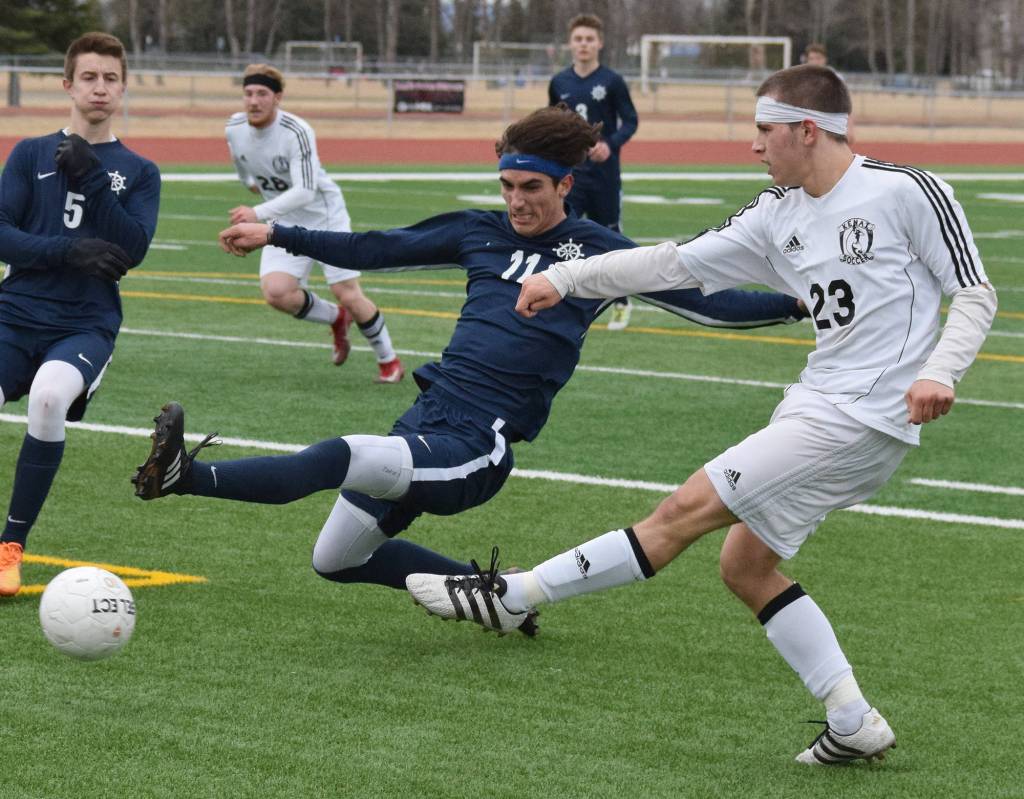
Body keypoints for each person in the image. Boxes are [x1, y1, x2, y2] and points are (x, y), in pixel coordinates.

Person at [406, 66, 998, 764]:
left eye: (764, 131)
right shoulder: (777, 212)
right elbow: (671, 263)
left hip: (863, 416)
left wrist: (939, 370)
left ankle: (515, 593)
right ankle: (852, 718)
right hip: (815, 400)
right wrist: (564, 277)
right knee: (745, 564)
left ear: (808, 130)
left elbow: (975, 292)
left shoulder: (905, 191)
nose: (754, 146)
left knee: (685, 508)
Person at [131, 105, 805, 631]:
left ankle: (189, 475)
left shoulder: (599, 254)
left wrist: (799, 302)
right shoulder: (479, 230)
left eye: (532, 187)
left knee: (342, 452)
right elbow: (374, 244)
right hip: (428, 415)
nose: (516, 200)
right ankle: (498, 598)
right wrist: (277, 233)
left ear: (566, 184)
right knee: (334, 559)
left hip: (475, 447)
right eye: (507, 185)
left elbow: (710, 303)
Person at [0, 32, 160, 597]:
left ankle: (9, 549)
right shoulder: (28, 153)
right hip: (14, 314)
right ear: (68, 84)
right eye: (89, 77)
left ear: (122, 88)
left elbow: (132, 249)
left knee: (48, 399)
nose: (100, 87)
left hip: (85, 323)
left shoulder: (139, 171)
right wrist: (66, 251)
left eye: (110, 78)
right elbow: (3, 234)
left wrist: (93, 178)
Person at [226, 63, 403, 383]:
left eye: (262, 94)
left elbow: (306, 191)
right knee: (277, 292)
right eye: (248, 93)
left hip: (325, 217)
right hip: (283, 219)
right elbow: (244, 171)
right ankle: (336, 319)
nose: (253, 101)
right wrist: (257, 192)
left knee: (346, 291)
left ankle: (388, 360)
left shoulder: (297, 131)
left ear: (277, 97)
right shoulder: (235, 128)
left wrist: (258, 212)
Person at [549, 13, 638, 331]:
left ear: (599, 43)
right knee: (563, 232)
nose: (584, 44)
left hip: (604, 175)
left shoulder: (611, 81)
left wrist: (610, 145)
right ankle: (561, 296)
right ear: (570, 44)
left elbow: (630, 121)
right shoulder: (559, 82)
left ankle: (621, 300)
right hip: (571, 173)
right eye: (578, 39)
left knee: (610, 237)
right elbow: (553, 122)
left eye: (589, 39)